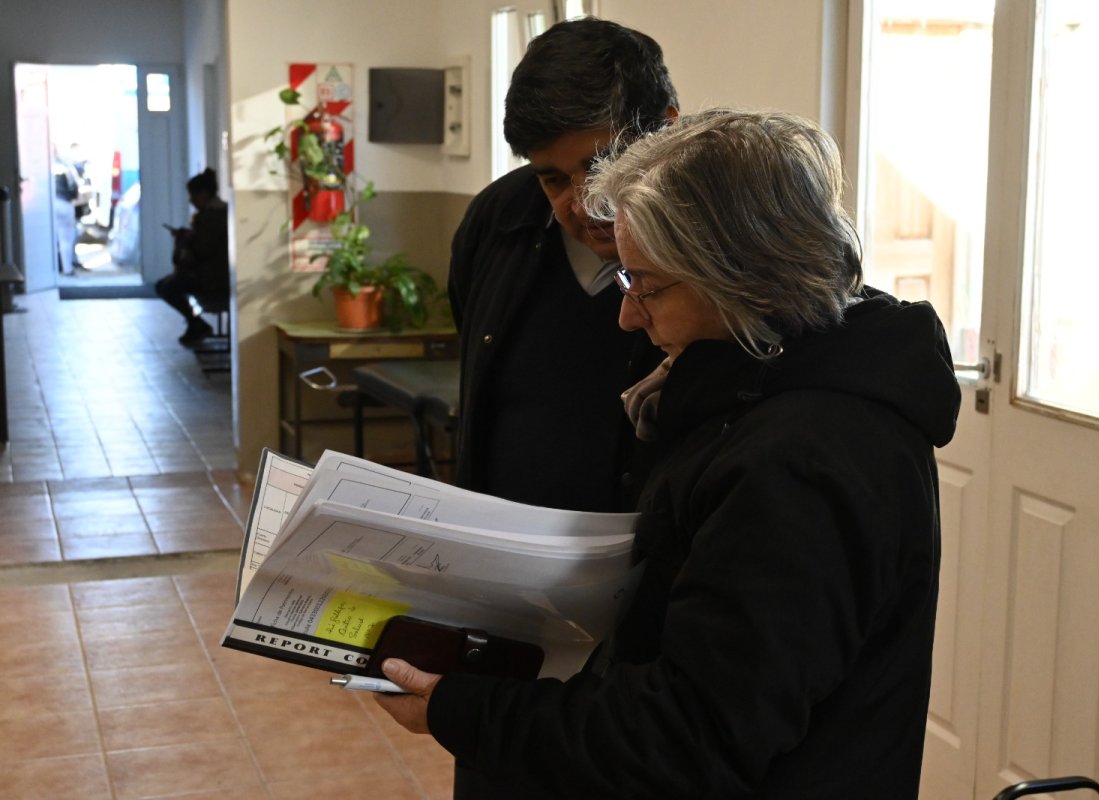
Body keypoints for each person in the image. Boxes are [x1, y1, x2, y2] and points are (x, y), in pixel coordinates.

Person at [373, 109, 962, 798]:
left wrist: (463, 709)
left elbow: (686, 739)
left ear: (741, 276)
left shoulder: (800, 461)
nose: (628, 314)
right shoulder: (766, 391)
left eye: (646, 285)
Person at [448, 16, 677, 515]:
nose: (586, 202)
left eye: (603, 166)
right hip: (500, 541)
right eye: (553, 179)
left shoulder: (722, 249)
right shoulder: (497, 219)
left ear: (667, 127)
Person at [155, 168, 230, 347]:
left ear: (204, 194)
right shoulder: (216, 213)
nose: (191, 200)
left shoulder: (212, 216)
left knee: (167, 288)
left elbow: (202, 250)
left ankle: (196, 324)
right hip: (212, 273)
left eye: (193, 195)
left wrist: (186, 240)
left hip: (214, 277)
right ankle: (194, 323)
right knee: (164, 285)